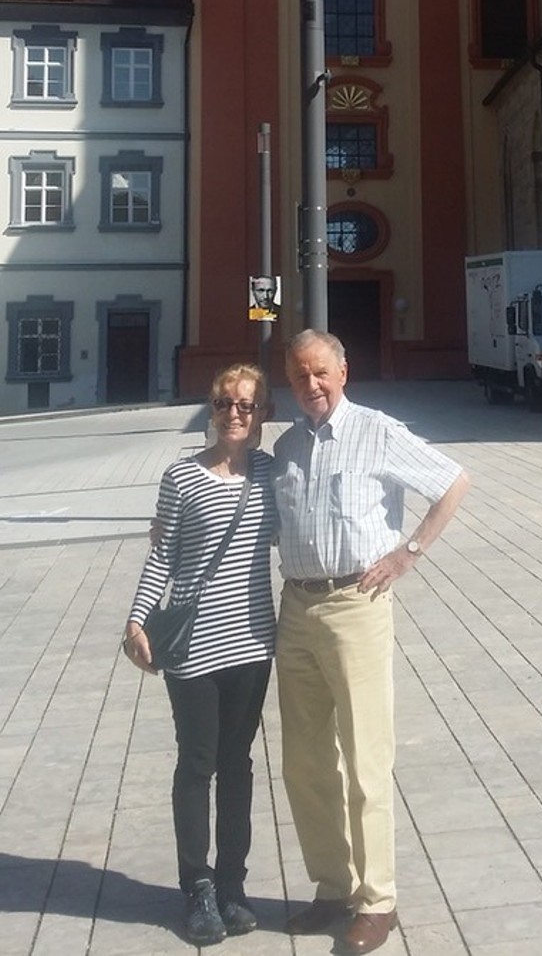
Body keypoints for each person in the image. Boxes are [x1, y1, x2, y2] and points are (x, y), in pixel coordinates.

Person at [276, 330, 470, 954]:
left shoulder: (376, 430)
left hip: (356, 606)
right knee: (305, 762)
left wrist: (408, 552)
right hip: (296, 608)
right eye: (300, 375)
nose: (312, 385)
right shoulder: (283, 448)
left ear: (343, 372)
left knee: (365, 759)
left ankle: (377, 900)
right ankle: (331, 887)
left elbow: (453, 481)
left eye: (321, 374)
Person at [125, 364, 277, 947]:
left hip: (252, 641)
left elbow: (304, 522)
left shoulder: (270, 471)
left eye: (246, 404)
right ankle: (198, 888)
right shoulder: (181, 477)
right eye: (223, 403)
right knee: (197, 764)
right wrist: (139, 618)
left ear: (262, 412)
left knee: (238, 764)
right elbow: (162, 555)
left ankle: (233, 883)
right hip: (193, 645)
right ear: (210, 410)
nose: (234, 413)